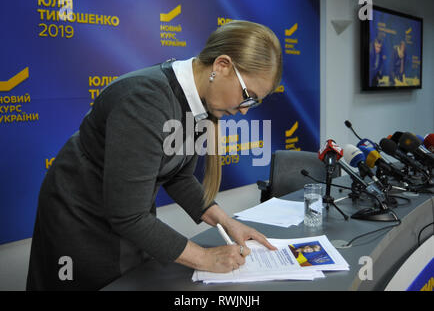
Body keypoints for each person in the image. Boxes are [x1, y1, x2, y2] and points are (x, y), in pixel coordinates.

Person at [26, 20, 283, 290]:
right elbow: (129, 216)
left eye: (253, 103)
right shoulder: (147, 101)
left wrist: (228, 223)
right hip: (79, 215)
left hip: (123, 214)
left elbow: (179, 177)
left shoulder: (199, 104)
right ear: (222, 66)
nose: (244, 110)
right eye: (248, 96)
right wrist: (204, 257)